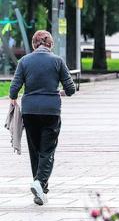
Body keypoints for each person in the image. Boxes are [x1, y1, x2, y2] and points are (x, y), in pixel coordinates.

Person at [9, 30, 76, 205]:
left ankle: (40, 191)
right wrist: (58, 91)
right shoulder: (57, 61)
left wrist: (14, 99)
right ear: (50, 44)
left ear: (33, 44)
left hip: (30, 111)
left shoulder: (24, 61)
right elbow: (71, 89)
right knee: (47, 150)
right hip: (50, 111)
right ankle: (39, 183)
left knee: (35, 151)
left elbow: (13, 89)